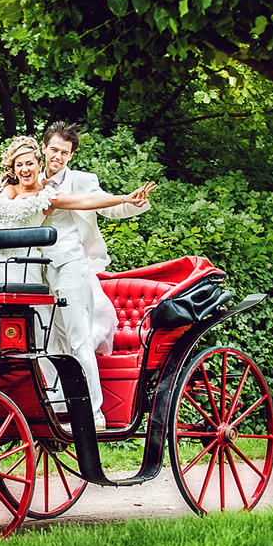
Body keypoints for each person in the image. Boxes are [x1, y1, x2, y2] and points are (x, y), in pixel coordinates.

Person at [39, 121, 155, 429]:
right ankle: (59, 407)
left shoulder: (82, 181)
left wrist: (133, 202)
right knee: (46, 342)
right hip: (37, 270)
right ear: (44, 148)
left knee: (79, 340)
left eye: (64, 153)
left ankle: (94, 413)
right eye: (53, 150)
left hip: (73, 265)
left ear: (71, 154)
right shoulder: (30, 178)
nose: (58, 157)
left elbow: (107, 206)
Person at [0, 136, 152, 287]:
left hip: (19, 263)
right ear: (14, 168)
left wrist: (125, 198)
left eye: (29, 163)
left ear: (39, 165)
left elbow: (86, 201)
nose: (25, 169)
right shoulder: (3, 187)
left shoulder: (46, 196)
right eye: (19, 164)